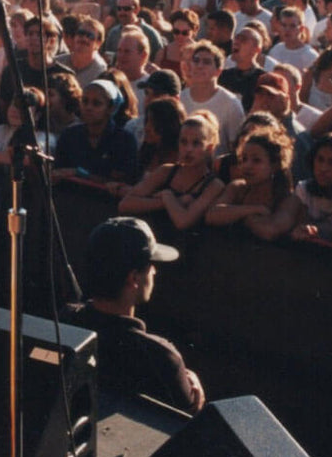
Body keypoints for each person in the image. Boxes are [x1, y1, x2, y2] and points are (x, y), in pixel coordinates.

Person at [61, 217, 205, 412]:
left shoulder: (63, 324)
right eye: (150, 264)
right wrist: (195, 395)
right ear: (134, 277)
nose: (154, 271)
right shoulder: (162, 358)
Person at [118, 113, 226, 230]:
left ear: (209, 148)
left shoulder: (214, 185)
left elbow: (183, 222)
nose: (188, 149)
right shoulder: (166, 171)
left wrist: (167, 196)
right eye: (183, 142)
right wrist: (170, 201)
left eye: (196, 143)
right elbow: (125, 204)